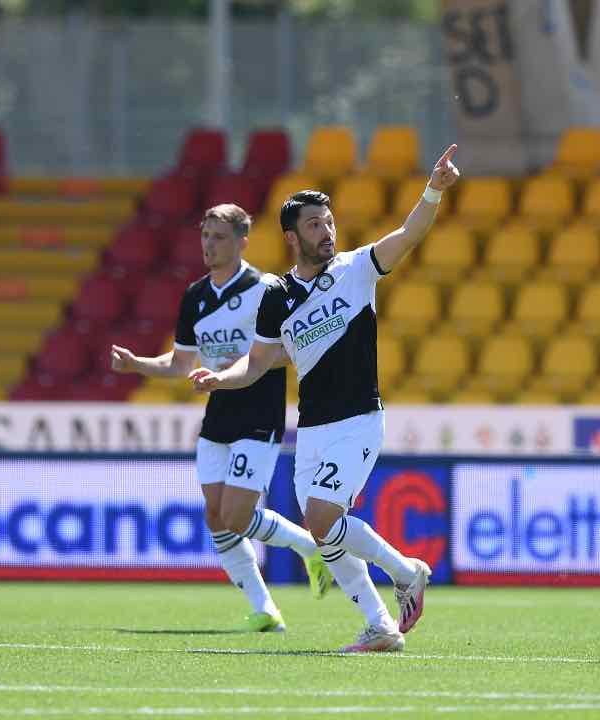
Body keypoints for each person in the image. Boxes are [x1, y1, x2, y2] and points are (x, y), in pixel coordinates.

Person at [190, 145, 461, 652]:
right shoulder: (275, 298)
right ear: (292, 237)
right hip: (311, 425)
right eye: (315, 224)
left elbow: (409, 235)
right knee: (323, 533)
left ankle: (406, 572)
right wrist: (220, 379)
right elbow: (259, 362)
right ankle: (381, 627)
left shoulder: (358, 268)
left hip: (358, 418)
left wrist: (433, 191)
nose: (327, 230)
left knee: (319, 517)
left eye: (330, 221)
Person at [112, 203, 332, 632]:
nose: (209, 245)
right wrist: (137, 363)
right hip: (218, 411)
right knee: (215, 516)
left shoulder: (265, 289)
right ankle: (265, 609)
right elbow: (180, 364)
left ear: (242, 242)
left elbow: (292, 349)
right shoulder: (196, 297)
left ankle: (309, 546)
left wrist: (241, 365)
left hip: (259, 410)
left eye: (219, 237)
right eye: (205, 236)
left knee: (235, 515)